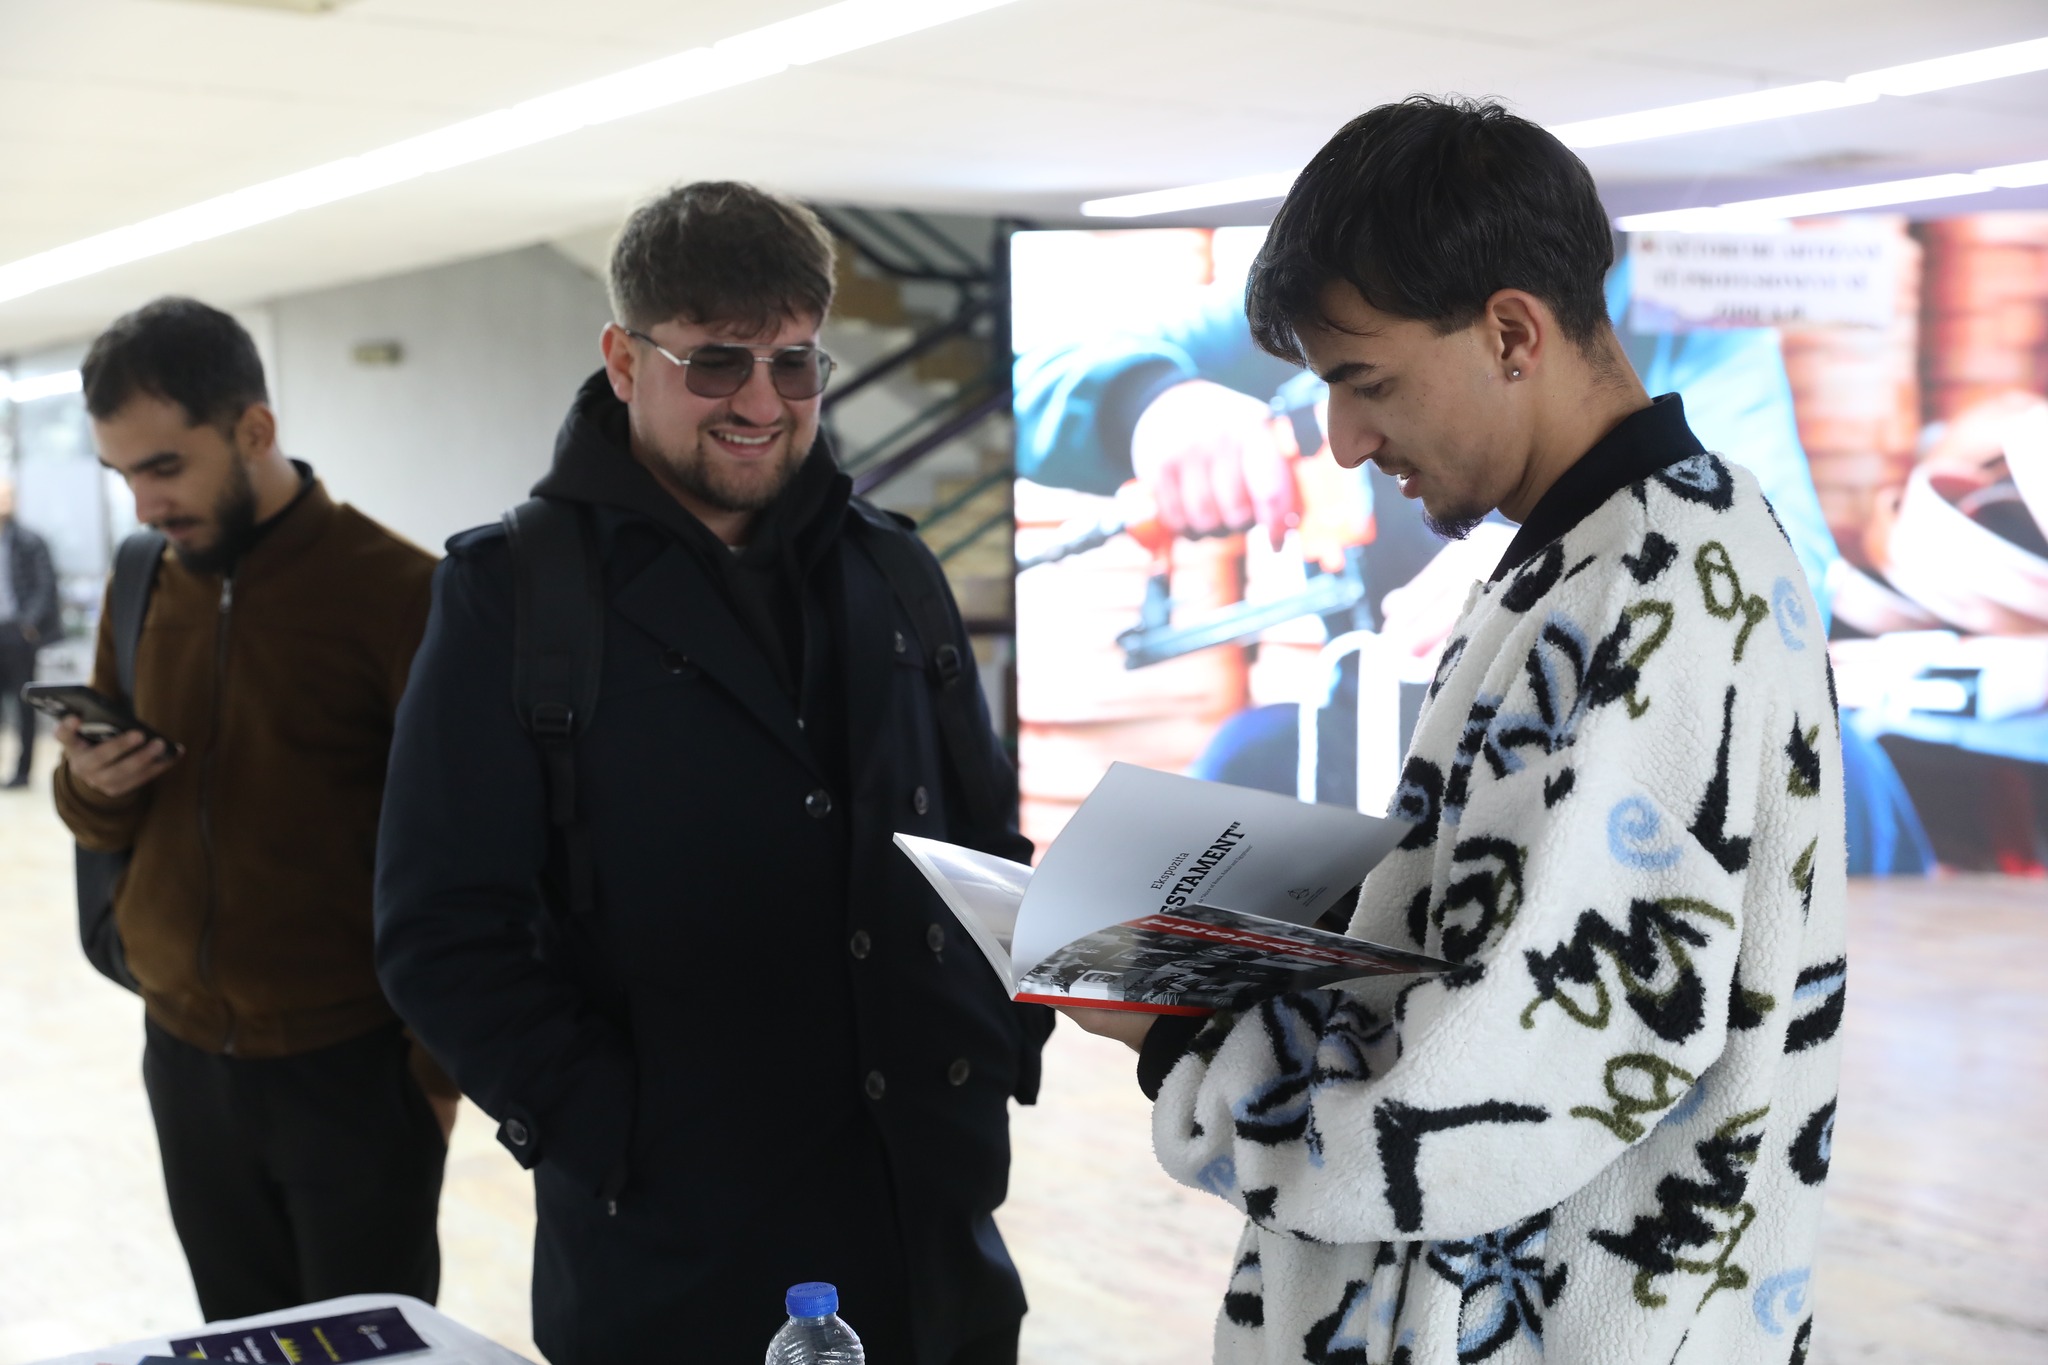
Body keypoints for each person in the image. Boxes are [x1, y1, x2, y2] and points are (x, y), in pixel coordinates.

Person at [1063, 98, 1848, 1365]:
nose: (1344, 442)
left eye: (1363, 382)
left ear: (1509, 333)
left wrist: (1185, 1041)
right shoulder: (1623, 544)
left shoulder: (1647, 589)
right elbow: (1509, 936)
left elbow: (1518, 1087)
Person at [374, 181, 1052, 1365]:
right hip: (674, 1247)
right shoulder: (514, 597)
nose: (760, 402)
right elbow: (439, 932)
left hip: (927, 1224)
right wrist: (616, 1130)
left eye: (794, 364)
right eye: (716, 362)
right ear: (623, 360)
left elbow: (981, 842)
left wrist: (1001, 1044)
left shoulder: (895, 570)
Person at [51, 298, 455, 1321]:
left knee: (366, 1345)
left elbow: (468, 854)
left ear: (255, 430)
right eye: (122, 474)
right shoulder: (142, 581)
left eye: (164, 467)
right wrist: (90, 786)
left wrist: (433, 1081)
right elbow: (100, 815)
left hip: (352, 1071)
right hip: (184, 1057)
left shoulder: (401, 592)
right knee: (238, 1338)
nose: (144, 504)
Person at [0, 473, 61, 787]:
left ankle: (22, 772)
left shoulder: (29, 541)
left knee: (24, 704)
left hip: (18, 633)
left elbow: (45, 586)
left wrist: (28, 625)